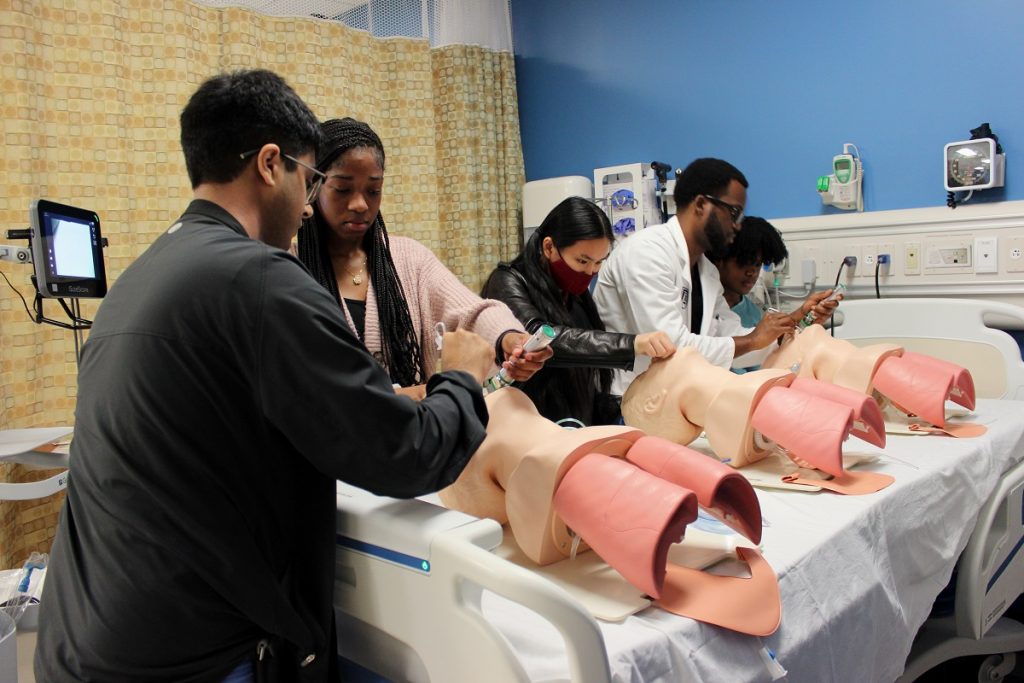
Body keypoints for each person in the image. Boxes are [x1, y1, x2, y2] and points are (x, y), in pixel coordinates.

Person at [35, 70, 498, 683]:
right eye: (311, 181)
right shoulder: (263, 282)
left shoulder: (140, 278)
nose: (308, 206)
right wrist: (460, 381)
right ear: (270, 164)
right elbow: (406, 453)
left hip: (85, 640)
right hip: (193, 655)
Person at [296, 118, 549, 400]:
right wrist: (422, 393)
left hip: (421, 436)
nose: (360, 204)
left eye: (373, 190)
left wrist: (509, 339)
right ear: (314, 186)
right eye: (342, 189)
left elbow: (471, 311)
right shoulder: (289, 269)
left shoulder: (408, 259)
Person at [593, 158, 837, 394]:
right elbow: (669, 346)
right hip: (624, 400)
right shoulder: (647, 252)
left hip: (672, 397)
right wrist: (753, 339)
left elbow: (731, 337)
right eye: (734, 213)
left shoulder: (705, 271)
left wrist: (793, 324)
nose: (737, 225)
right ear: (701, 205)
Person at [480, 196, 674, 425]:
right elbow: (540, 338)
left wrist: (627, 409)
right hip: (521, 428)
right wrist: (631, 344)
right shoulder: (507, 282)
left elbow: (583, 388)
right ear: (549, 247)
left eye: (599, 262)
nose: (591, 271)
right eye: (583, 261)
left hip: (569, 429)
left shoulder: (575, 295)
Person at [708, 215, 789, 371]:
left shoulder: (753, 313)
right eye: (744, 262)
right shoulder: (705, 310)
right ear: (719, 259)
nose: (752, 272)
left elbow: (761, 364)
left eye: (758, 264)